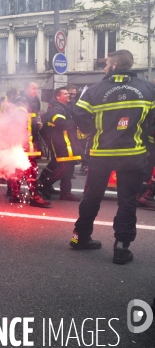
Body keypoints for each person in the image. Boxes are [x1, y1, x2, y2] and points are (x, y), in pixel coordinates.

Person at [71, 50, 155, 265]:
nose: (104, 69)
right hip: (132, 154)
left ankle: (79, 237)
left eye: (107, 65)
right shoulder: (149, 89)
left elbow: (78, 112)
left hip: (101, 154)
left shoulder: (94, 90)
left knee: (91, 195)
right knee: (127, 200)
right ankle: (121, 248)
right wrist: (149, 145)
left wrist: (89, 131)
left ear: (115, 66)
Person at [37, 87, 82, 202]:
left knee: (69, 167)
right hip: (61, 143)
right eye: (65, 94)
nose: (68, 95)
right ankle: (43, 185)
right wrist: (76, 121)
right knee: (65, 167)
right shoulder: (57, 109)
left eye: (68, 93)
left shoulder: (65, 107)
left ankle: (65, 192)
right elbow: (61, 124)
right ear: (58, 97)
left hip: (67, 142)